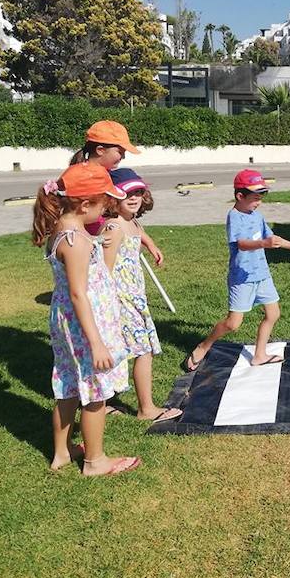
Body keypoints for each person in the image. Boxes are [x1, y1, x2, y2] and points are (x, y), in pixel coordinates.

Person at [32, 162, 140, 476]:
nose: (106, 210)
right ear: (84, 204)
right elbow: (80, 293)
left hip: (68, 321)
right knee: (95, 391)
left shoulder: (66, 231)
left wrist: (96, 244)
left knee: (68, 385)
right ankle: (95, 460)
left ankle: (62, 454)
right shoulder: (75, 241)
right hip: (85, 325)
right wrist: (96, 344)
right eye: (104, 203)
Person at [186, 170, 290, 370]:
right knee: (233, 324)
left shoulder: (257, 216)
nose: (258, 202)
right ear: (240, 196)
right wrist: (263, 243)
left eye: (260, 198)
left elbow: (273, 238)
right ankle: (204, 345)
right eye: (255, 198)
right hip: (242, 277)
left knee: (273, 314)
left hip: (262, 274)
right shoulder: (234, 216)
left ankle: (259, 355)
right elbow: (242, 244)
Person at [101, 168, 182, 424]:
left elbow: (139, 233)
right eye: (127, 193)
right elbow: (104, 270)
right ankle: (145, 408)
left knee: (130, 351)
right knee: (141, 350)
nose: (134, 198)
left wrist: (151, 245)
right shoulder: (113, 227)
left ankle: (99, 402)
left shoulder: (132, 222)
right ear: (113, 197)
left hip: (136, 298)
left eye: (138, 192)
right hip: (122, 300)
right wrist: (110, 305)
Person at [71, 120, 164, 267]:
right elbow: (74, 216)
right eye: (120, 152)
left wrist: (149, 243)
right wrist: (90, 239)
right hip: (94, 249)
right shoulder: (85, 178)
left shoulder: (108, 175)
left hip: (112, 243)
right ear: (101, 150)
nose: (123, 157)